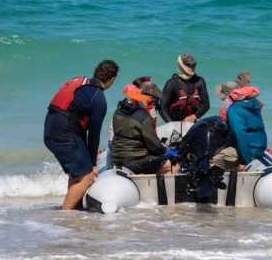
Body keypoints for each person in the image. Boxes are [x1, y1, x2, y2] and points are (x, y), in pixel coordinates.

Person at [44, 60, 119, 210]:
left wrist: (86, 155)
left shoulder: (79, 80)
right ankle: (66, 215)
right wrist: (93, 164)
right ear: (111, 80)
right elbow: (94, 134)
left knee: (77, 172)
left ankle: (75, 210)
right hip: (64, 132)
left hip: (51, 126)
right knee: (87, 177)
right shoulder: (98, 98)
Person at [112, 83, 175, 174]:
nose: (152, 106)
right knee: (173, 164)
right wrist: (167, 151)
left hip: (118, 160)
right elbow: (155, 146)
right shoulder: (142, 117)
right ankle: (157, 188)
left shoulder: (118, 111)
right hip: (135, 162)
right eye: (152, 102)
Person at [220, 79, 267, 166]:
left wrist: (247, 161)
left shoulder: (234, 110)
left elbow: (240, 135)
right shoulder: (253, 104)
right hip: (261, 147)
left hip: (250, 152)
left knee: (215, 158)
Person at [160, 53, 210, 123]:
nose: (191, 67)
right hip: (174, 123)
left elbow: (206, 105)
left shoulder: (200, 82)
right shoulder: (172, 84)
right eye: (189, 65)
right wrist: (171, 124)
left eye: (193, 65)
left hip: (192, 123)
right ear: (181, 66)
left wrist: (195, 116)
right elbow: (162, 108)